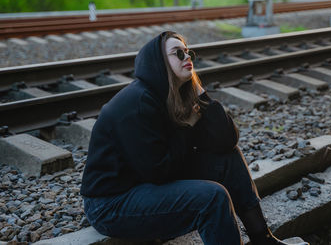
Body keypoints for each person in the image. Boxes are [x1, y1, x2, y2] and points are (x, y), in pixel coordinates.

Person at [80, 31, 309, 245]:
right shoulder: (139, 103)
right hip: (111, 203)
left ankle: (262, 238)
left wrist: (201, 93)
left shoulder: (175, 94)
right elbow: (158, 171)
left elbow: (227, 140)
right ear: (159, 62)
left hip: (145, 183)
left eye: (188, 52)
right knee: (211, 198)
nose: (186, 56)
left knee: (228, 160)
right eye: (177, 53)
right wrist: (187, 126)